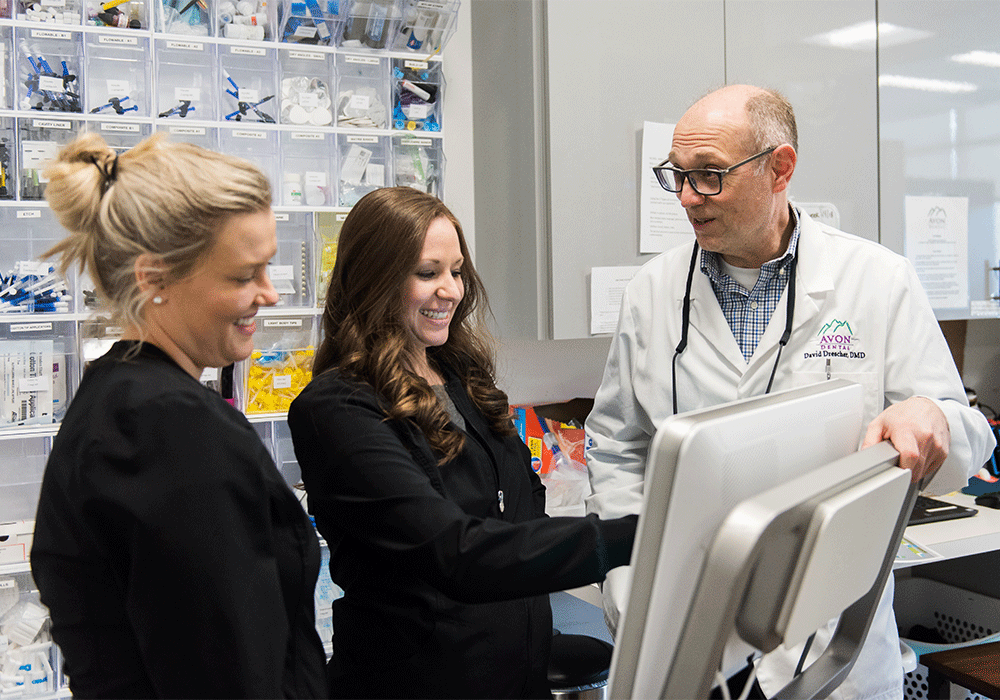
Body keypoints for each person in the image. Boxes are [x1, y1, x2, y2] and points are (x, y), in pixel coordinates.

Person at [585, 85, 996, 700]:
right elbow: (617, 445)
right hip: (687, 625)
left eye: (711, 175)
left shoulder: (877, 280)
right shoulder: (653, 290)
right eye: (679, 176)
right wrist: (628, 584)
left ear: (780, 168)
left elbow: (965, 437)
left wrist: (931, 415)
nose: (688, 198)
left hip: (834, 639)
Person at [287, 186, 638, 699]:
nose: (450, 290)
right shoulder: (338, 410)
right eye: (427, 273)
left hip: (514, 675)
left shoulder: (462, 379)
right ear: (375, 279)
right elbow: (454, 554)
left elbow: (516, 518)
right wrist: (634, 535)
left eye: (456, 271)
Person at [30, 132, 328, 699]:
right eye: (244, 276)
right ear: (154, 279)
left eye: (268, 269)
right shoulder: (168, 429)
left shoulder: (123, 399)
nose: (269, 294)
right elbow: (225, 674)